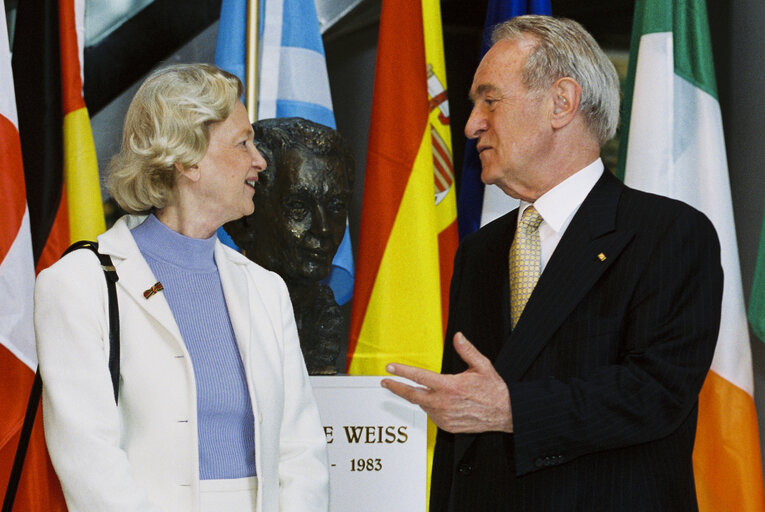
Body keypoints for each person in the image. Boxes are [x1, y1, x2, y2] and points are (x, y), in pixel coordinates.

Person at [382, 15, 723, 511]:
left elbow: (656, 392)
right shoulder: (480, 253)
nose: (473, 122)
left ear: (561, 103)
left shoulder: (668, 233)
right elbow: (462, 431)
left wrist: (512, 409)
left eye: (489, 100)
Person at [34, 64, 329, 511]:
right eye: (243, 142)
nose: (260, 161)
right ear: (187, 158)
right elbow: (89, 464)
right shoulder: (78, 285)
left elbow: (301, 451)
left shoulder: (267, 289)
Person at [225, 118, 354, 375]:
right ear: (245, 222)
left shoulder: (325, 322)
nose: (324, 228)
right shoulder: (222, 316)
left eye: (336, 207)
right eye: (298, 207)